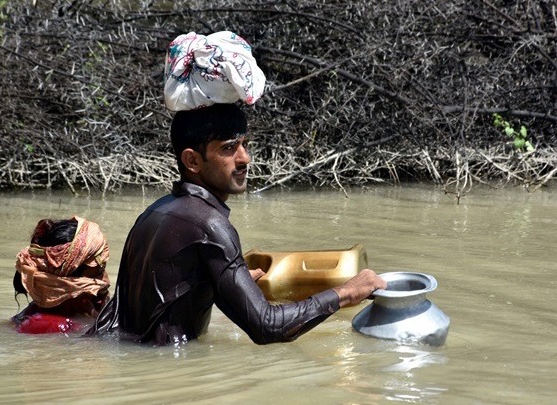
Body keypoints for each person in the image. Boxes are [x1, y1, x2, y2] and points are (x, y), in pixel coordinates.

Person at [86, 31, 386, 345]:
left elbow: (159, 307)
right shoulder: (209, 224)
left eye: (244, 145)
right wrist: (345, 293)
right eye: (229, 149)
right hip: (171, 376)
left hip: (127, 361)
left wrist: (224, 285)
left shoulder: (154, 213)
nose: (245, 159)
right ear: (192, 160)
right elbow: (267, 328)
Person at [12, 216, 111, 334]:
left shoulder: (33, 315)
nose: (106, 282)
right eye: (99, 273)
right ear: (67, 282)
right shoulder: (54, 326)